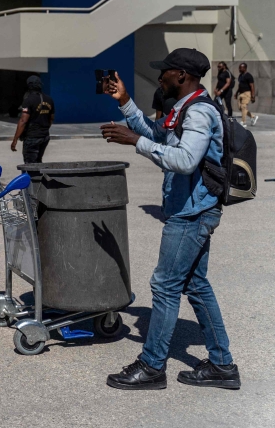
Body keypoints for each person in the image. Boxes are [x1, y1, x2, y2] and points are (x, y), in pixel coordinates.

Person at [101, 48, 239, 391]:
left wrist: (134, 141)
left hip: (192, 213)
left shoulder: (199, 113)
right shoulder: (185, 108)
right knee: (195, 285)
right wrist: (126, 103)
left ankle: (152, 366)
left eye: (164, 72)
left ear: (181, 75)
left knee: (165, 286)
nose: (159, 77)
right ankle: (222, 365)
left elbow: (185, 160)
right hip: (192, 209)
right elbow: (158, 136)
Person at [10, 75, 54, 163]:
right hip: (44, 136)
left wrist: (15, 140)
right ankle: (39, 176)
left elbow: (23, 121)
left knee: (30, 164)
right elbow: (51, 118)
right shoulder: (49, 99)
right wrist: (44, 129)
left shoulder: (28, 100)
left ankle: (34, 177)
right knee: (38, 161)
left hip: (32, 137)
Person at [235, 63, 258, 127]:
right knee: (241, 108)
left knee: (243, 107)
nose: (239, 69)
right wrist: (236, 93)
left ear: (245, 68)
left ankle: (243, 122)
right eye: (239, 68)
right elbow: (240, 85)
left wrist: (253, 96)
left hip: (247, 93)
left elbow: (252, 86)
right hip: (241, 93)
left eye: (241, 68)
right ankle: (253, 117)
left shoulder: (249, 76)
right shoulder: (240, 76)